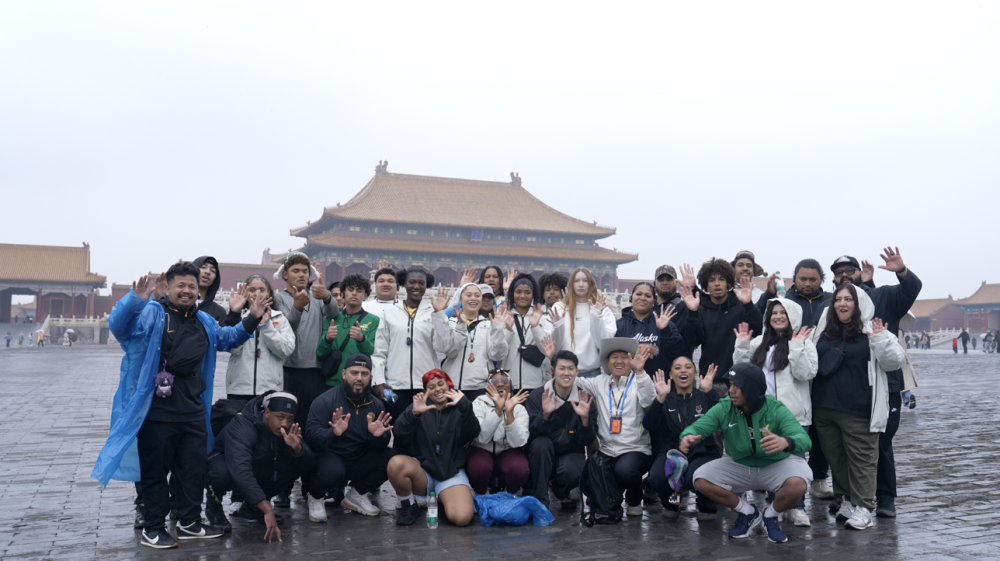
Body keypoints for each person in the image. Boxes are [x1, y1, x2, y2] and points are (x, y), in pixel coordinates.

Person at [91, 263, 270, 549]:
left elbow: (228, 339)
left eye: (192, 286)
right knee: (155, 473)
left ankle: (189, 522)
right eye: (181, 286)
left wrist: (253, 318)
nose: (187, 291)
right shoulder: (153, 313)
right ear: (169, 287)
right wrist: (135, 301)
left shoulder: (204, 320)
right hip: (157, 412)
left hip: (193, 410)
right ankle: (153, 527)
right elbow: (121, 328)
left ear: (198, 290)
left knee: (192, 471)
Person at [831, 248, 921, 518]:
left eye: (850, 270)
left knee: (881, 442)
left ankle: (885, 497)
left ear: (860, 273)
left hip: (885, 384)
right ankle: (848, 496)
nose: (845, 275)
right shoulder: (833, 305)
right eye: (839, 273)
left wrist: (901, 271)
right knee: (846, 443)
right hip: (848, 386)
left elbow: (912, 289)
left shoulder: (882, 297)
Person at [680, 363, 812, 543]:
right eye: (730, 385)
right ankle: (748, 512)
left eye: (737, 386)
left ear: (752, 389)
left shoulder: (776, 408)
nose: (731, 391)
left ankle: (771, 515)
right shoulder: (724, 407)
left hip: (774, 464)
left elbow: (804, 440)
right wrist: (688, 435)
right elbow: (699, 426)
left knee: (799, 484)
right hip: (739, 464)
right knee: (701, 479)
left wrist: (786, 442)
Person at [810, 284, 906, 530]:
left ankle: (864, 506)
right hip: (824, 407)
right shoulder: (824, 330)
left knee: (862, 459)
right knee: (837, 459)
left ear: (859, 303)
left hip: (858, 408)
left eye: (848, 299)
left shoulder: (873, 330)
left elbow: (894, 362)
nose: (842, 303)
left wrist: (880, 340)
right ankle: (846, 500)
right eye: (838, 299)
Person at [732, 297, 818, 527]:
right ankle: (776, 505)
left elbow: (805, 374)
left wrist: (797, 347)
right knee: (770, 460)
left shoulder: (804, 342)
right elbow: (742, 372)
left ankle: (797, 507)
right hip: (764, 413)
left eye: (783, 312)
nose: (778, 316)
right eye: (774, 313)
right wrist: (742, 345)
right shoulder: (758, 343)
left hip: (794, 414)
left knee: (795, 461)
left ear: (792, 316)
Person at [271, 252, 339, 506]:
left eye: (305, 271)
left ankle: (312, 487)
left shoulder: (317, 295)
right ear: (285, 274)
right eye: (296, 271)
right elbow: (283, 329)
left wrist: (328, 297)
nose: (301, 275)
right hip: (289, 372)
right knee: (286, 430)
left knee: (313, 430)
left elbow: (334, 313)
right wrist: (298, 307)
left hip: (316, 372)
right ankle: (283, 488)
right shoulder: (279, 298)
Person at [205, 392, 315, 541]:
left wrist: (297, 449)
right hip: (227, 462)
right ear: (267, 413)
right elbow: (240, 470)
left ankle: (253, 508)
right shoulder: (243, 425)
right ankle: (214, 508)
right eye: (280, 417)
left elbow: (309, 465)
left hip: (257, 462)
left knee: (295, 463)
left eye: (289, 419)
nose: (285, 423)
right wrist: (267, 508)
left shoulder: (287, 428)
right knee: (220, 473)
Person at [304, 354, 397, 521]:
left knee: (392, 459)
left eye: (364, 373)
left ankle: (357, 494)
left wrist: (377, 437)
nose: (359, 378)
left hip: (359, 458)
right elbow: (310, 436)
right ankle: (316, 497)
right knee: (332, 471)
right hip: (331, 457)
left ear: (370, 377)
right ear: (344, 374)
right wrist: (333, 433)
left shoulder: (376, 404)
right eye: (354, 372)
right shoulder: (325, 401)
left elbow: (382, 442)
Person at [387, 369, 480, 526]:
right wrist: (414, 415)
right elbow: (399, 434)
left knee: (462, 518)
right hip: (423, 473)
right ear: (425, 391)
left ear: (448, 385)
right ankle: (409, 504)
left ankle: (443, 499)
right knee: (395, 463)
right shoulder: (418, 406)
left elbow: (472, 432)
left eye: (441, 384)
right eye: (431, 387)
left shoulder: (460, 407)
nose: (437, 389)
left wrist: (465, 406)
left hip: (450, 473)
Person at [574, 338, 656, 517]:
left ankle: (634, 498)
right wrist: (557, 364)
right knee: (595, 472)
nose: (619, 361)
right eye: (614, 357)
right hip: (607, 449)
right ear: (607, 362)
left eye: (624, 357)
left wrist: (640, 371)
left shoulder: (640, 380)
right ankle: (612, 499)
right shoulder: (600, 382)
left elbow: (651, 401)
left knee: (625, 471)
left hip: (635, 448)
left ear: (631, 360)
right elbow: (574, 381)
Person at [642, 357, 720, 520]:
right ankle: (672, 504)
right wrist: (660, 398)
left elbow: (722, 418)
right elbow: (648, 424)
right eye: (677, 368)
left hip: (702, 452)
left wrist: (709, 391)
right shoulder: (666, 398)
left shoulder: (704, 396)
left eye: (688, 367)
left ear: (695, 373)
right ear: (671, 374)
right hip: (671, 451)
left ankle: (706, 506)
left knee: (696, 476)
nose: (683, 370)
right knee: (657, 477)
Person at [371, 267, 452, 419]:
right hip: (396, 385)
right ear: (404, 284)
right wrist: (378, 380)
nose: (416, 286)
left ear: (427, 286)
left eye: (421, 283)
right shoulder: (390, 314)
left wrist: (439, 314)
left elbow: (442, 347)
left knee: (426, 428)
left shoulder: (433, 312)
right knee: (399, 427)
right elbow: (379, 351)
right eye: (412, 282)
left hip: (427, 385)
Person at [524, 349, 597, 510]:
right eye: (561, 368)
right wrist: (545, 415)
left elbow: (587, 440)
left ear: (577, 371)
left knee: (574, 470)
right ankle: (540, 500)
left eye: (571, 368)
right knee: (540, 444)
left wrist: (585, 420)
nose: (566, 373)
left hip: (571, 452)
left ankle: (561, 491)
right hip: (542, 454)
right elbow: (529, 434)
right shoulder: (538, 396)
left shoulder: (584, 398)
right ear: (553, 371)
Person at [678, 259, 763, 389]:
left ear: (728, 283)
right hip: (710, 380)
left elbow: (759, 330)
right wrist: (692, 312)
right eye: (712, 280)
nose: (717, 284)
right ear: (706, 286)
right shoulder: (701, 309)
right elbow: (694, 340)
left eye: (721, 279)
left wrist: (749, 305)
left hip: (739, 379)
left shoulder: (741, 305)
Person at [223, 275, 295, 400]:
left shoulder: (279, 318)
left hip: (270, 388)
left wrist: (267, 327)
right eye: (252, 290)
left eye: (261, 290)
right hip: (239, 388)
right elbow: (232, 348)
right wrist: (234, 314)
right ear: (245, 294)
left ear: (268, 293)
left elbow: (285, 350)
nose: (257, 294)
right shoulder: (239, 318)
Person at [440, 283, 509, 401]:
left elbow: (497, 355)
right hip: (452, 386)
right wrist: (461, 326)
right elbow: (450, 352)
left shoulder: (490, 325)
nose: (473, 298)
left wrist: (498, 329)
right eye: (468, 295)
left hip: (480, 387)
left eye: (477, 295)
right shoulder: (450, 323)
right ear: (460, 299)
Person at [467, 369, 531, 495]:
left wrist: (509, 413)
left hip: (508, 451)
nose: (500, 384)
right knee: (478, 467)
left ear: (511, 386)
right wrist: (498, 409)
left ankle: (509, 495)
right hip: (482, 449)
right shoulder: (478, 404)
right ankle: (482, 495)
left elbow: (518, 442)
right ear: (488, 387)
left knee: (519, 468)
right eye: (494, 382)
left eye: (505, 381)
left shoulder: (519, 408)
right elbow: (481, 437)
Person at [547, 267, 617, 378]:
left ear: (591, 284)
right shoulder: (559, 308)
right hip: (565, 372)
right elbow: (553, 345)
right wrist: (558, 326)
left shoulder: (601, 309)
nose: (581, 285)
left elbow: (604, 344)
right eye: (577, 281)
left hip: (593, 374)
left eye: (585, 281)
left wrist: (596, 315)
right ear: (571, 284)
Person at [316, 274, 380, 388]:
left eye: (359, 291)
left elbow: (372, 353)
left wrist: (361, 339)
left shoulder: (374, 320)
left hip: (359, 383)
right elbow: (320, 353)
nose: (354, 293)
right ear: (343, 294)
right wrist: (327, 339)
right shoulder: (331, 319)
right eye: (350, 290)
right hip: (332, 382)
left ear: (365, 296)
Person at [615, 281, 685, 378]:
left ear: (653, 301)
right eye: (639, 294)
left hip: (659, 381)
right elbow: (613, 355)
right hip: (628, 381)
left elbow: (679, 351)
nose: (642, 298)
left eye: (648, 296)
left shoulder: (664, 322)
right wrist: (635, 349)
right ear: (631, 298)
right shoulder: (619, 325)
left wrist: (665, 330)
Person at [501, 274, 552, 391]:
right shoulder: (503, 317)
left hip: (535, 384)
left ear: (533, 294)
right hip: (508, 384)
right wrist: (508, 330)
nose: (522, 296)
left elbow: (546, 350)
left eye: (527, 292)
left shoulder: (543, 319)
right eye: (518, 292)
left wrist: (535, 327)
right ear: (512, 294)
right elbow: (497, 353)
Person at [654, 265, 689, 347]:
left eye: (669, 279)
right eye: (661, 279)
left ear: (676, 282)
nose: (665, 282)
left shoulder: (685, 307)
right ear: (655, 283)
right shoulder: (649, 309)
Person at [192, 256, 227, 324]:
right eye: (203, 267)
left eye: (213, 271)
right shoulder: (181, 304)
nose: (208, 272)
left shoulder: (218, 312)